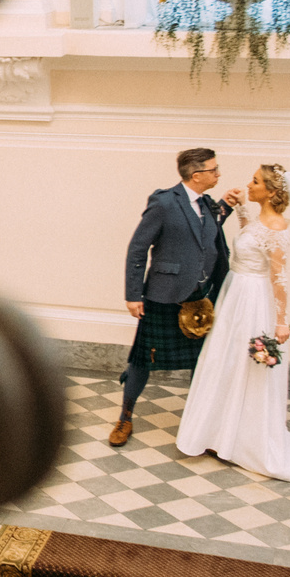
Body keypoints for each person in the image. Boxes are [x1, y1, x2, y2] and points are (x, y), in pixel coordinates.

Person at [176, 163, 290, 481]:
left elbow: (279, 279)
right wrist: (240, 212)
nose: (249, 185)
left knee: (244, 366)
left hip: (252, 299)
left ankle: (241, 439)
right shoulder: (262, 221)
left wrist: (281, 323)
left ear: (272, 191)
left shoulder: (278, 227)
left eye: (255, 182)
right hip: (235, 293)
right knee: (224, 361)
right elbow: (253, 238)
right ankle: (215, 432)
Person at [112, 146, 233, 447]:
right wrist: (133, 294)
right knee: (142, 361)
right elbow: (138, 249)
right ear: (197, 174)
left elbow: (202, 237)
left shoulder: (207, 204)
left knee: (200, 362)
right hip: (163, 296)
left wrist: (225, 209)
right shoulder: (164, 202)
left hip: (201, 297)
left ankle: (198, 424)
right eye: (214, 170)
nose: (219, 174)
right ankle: (125, 416)